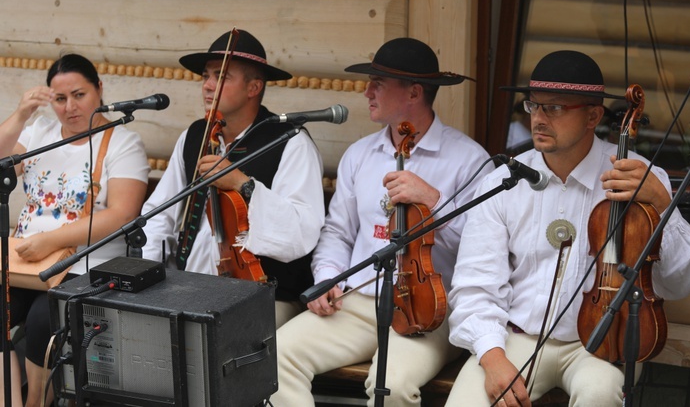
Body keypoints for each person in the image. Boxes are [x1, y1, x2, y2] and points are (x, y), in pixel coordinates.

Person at [446, 50, 690, 407]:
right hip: (514, 340)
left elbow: (682, 283)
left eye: (554, 108)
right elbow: (475, 285)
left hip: (601, 341)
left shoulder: (640, 178)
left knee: (598, 395)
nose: (538, 118)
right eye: (533, 106)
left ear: (593, 116)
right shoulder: (503, 181)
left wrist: (663, 205)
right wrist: (493, 358)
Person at [271, 37, 493, 406]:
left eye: (378, 83)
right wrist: (328, 275)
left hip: (428, 310)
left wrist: (433, 201)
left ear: (414, 92)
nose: (366, 92)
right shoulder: (360, 154)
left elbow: (481, 249)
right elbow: (338, 232)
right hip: (358, 300)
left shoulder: (469, 159)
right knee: (277, 359)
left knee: (389, 387)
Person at [140, 29, 325, 327]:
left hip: (264, 296)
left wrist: (242, 184)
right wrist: (145, 279)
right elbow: (159, 214)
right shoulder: (195, 135)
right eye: (205, 76)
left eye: (221, 77)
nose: (208, 86)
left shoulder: (290, 141)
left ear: (254, 88)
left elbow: (301, 232)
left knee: (219, 336)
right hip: (186, 287)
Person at [0, 53, 150, 407]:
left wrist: (50, 240)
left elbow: (122, 214)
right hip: (27, 263)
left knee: (43, 319)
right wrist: (22, 115)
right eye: (60, 99)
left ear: (99, 89)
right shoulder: (39, 133)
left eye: (79, 95)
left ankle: (38, 402)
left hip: (85, 264)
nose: (70, 108)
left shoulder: (122, 143)